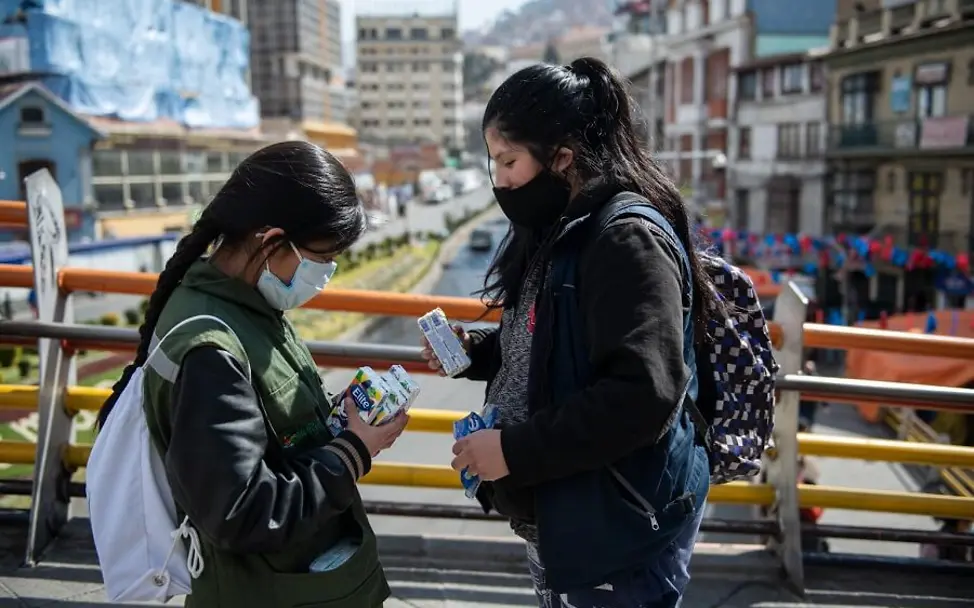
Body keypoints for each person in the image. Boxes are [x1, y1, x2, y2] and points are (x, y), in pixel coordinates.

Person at [422, 58, 714, 607]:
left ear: (562, 157)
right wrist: (478, 355)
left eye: (508, 161)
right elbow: (557, 341)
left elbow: (641, 395)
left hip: (615, 531)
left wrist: (513, 449)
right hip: (571, 516)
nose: (499, 181)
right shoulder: (561, 225)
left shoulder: (625, 241)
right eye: (494, 163)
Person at [97, 141, 407, 608]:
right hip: (266, 590)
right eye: (322, 258)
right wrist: (355, 450)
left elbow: (267, 429)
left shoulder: (242, 302)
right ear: (270, 241)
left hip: (295, 580)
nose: (325, 274)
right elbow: (241, 512)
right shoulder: (210, 352)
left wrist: (336, 421)